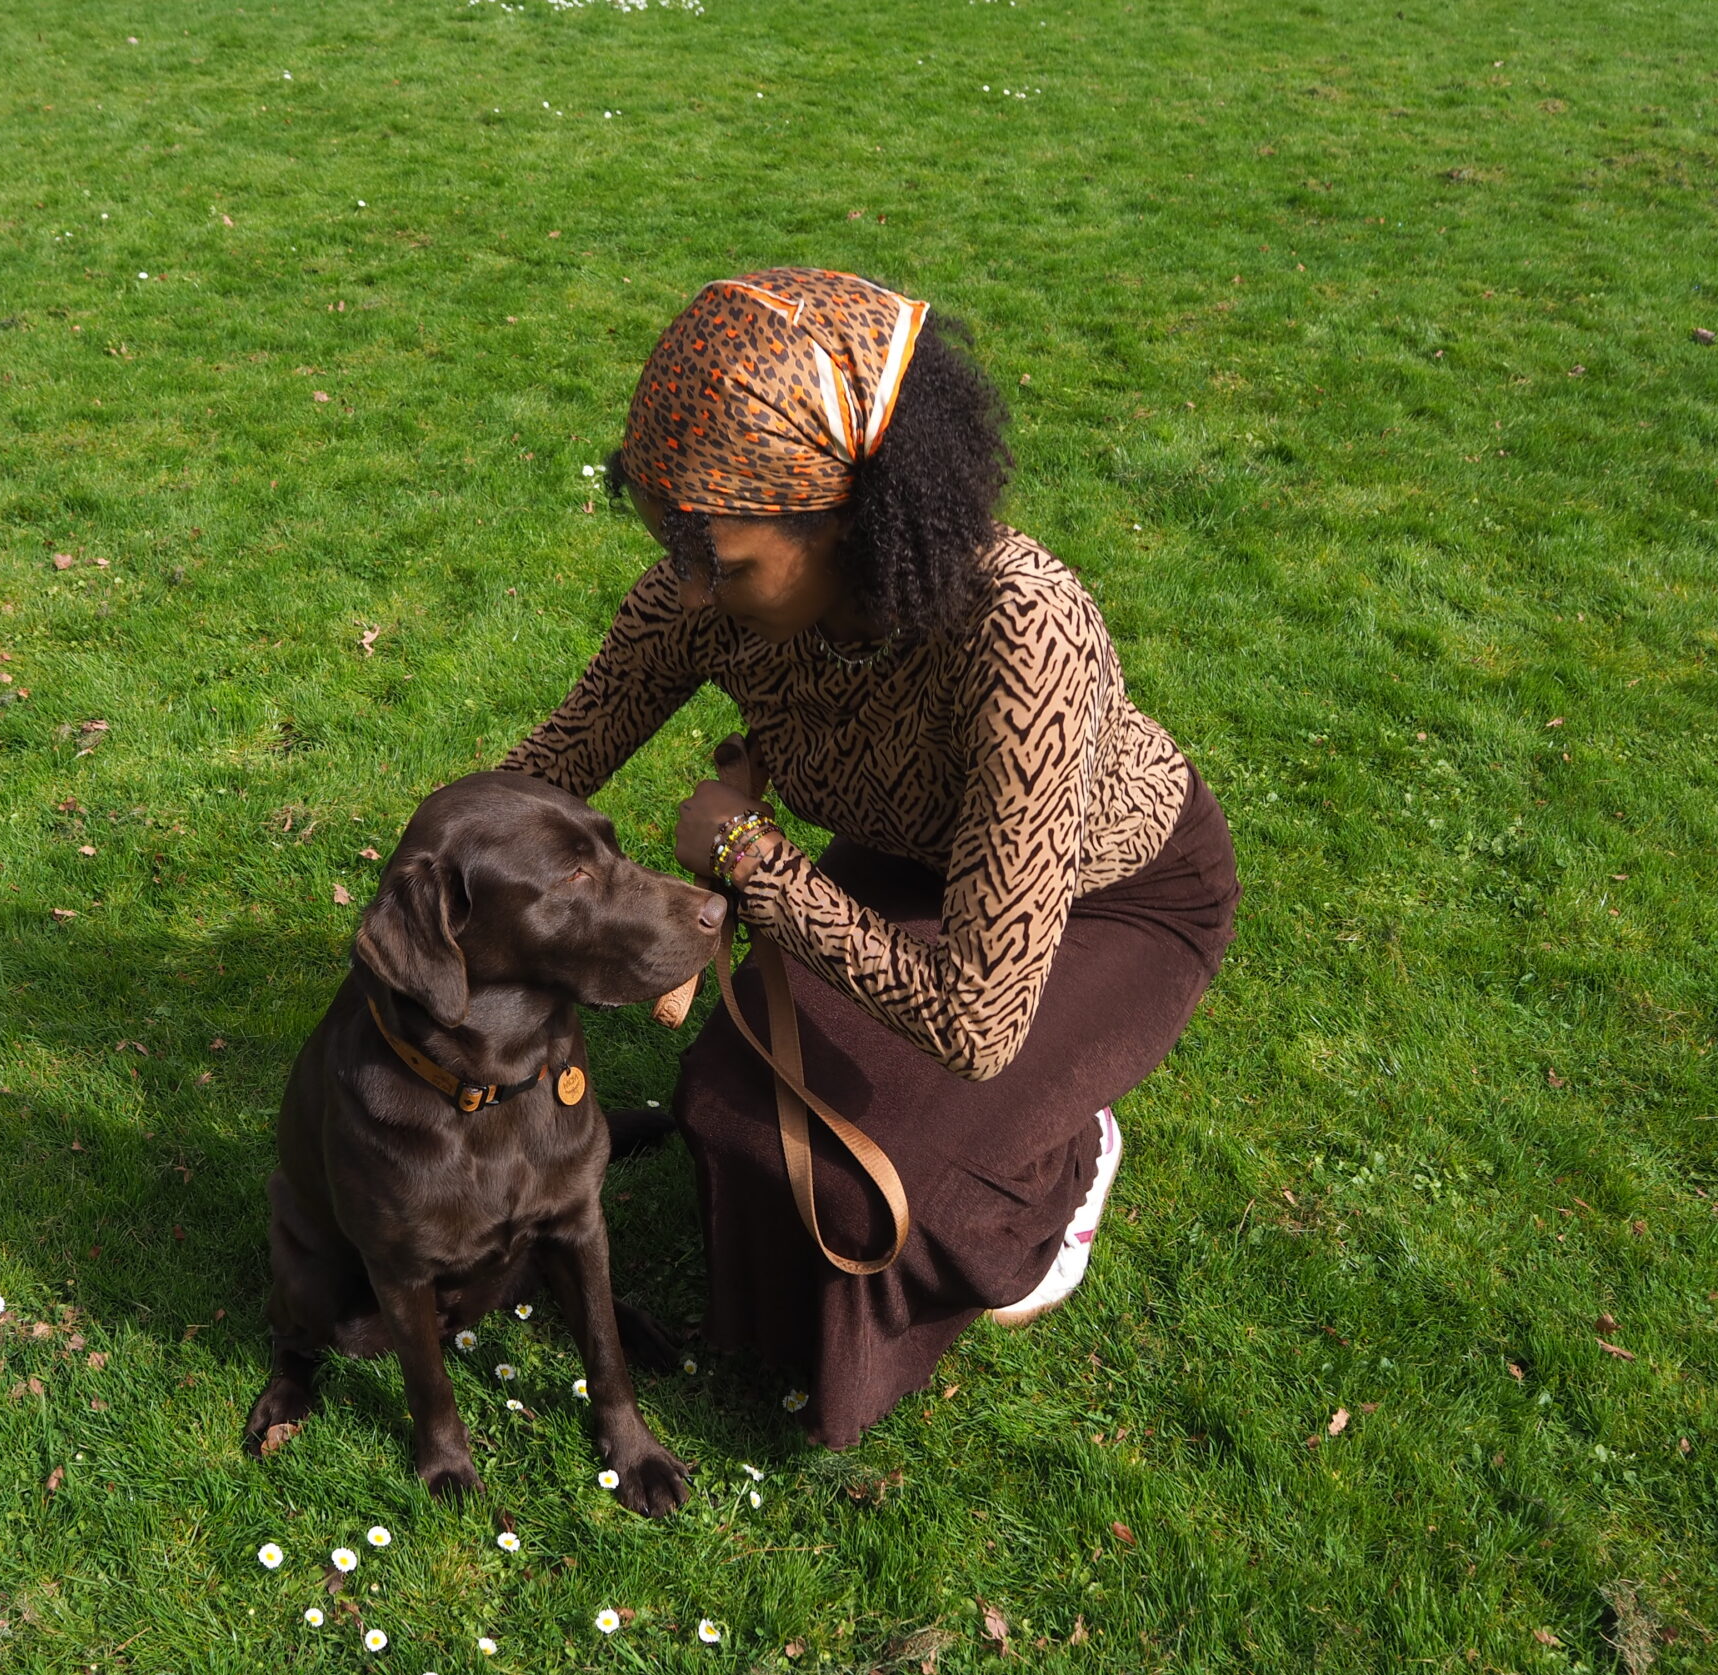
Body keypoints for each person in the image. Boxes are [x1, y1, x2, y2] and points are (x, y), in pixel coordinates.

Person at [500, 268, 1239, 1447]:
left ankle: (1066, 1154)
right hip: (905, 868)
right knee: (728, 1112)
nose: (688, 590)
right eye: (671, 546)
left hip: (1115, 900)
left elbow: (976, 1021)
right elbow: (553, 763)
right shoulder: (707, 590)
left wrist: (746, 854)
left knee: (877, 1188)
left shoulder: (1020, 627)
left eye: (720, 563)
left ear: (847, 518)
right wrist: (427, 885)